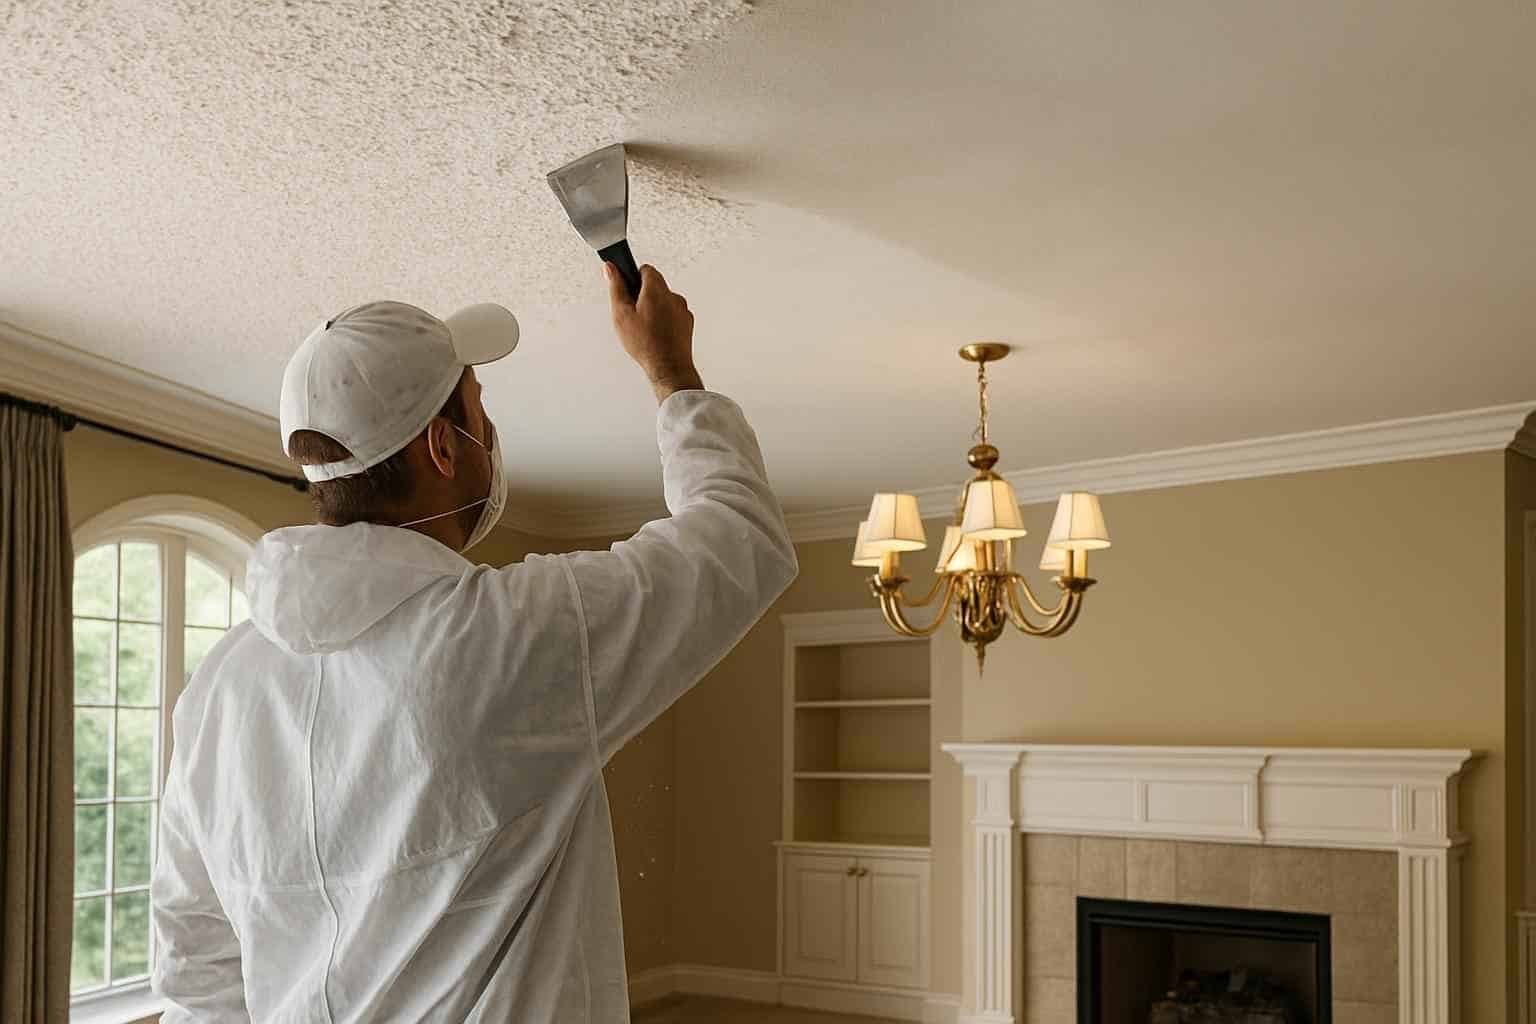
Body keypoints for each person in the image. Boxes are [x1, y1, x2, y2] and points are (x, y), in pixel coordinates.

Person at [150, 263, 798, 1021]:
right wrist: (671, 369)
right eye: (478, 410)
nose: (490, 431)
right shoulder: (511, 634)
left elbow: (195, 957)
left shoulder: (222, 685)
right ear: (443, 448)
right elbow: (737, 540)